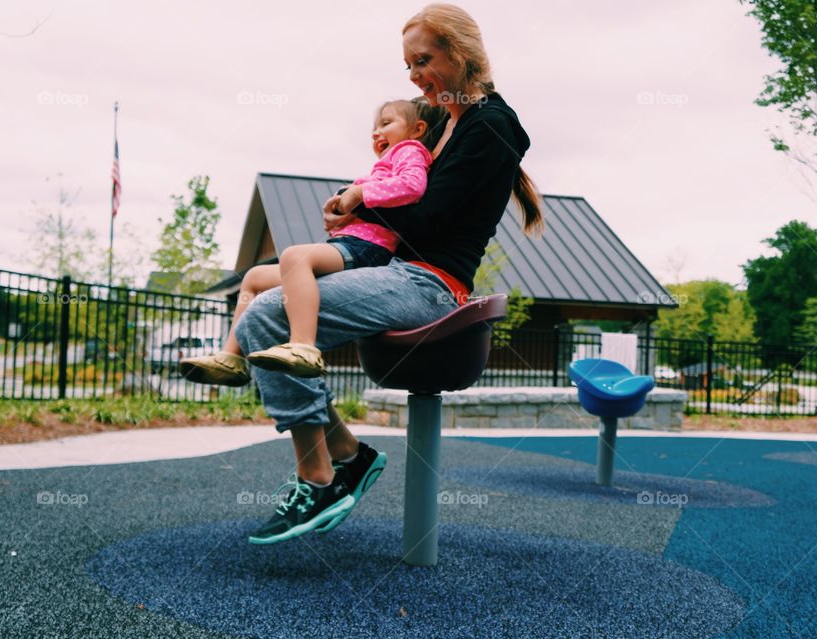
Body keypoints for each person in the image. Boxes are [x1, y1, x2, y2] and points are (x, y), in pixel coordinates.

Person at [236, 3, 544, 545]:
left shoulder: (492, 125)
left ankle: (321, 478)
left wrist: (361, 204)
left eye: (423, 60)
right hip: (395, 270)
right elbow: (393, 192)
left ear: (461, 53)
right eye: (407, 65)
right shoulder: (439, 128)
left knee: (269, 313)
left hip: (431, 285)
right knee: (262, 313)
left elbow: (427, 221)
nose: (414, 76)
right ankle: (348, 457)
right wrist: (352, 206)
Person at [178, 97, 447, 386]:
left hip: (369, 250)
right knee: (254, 277)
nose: (376, 132)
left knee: (295, 257)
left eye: (386, 123)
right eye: (374, 127)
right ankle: (231, 358)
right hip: (350, 245)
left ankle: (303, 346)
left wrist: (359, 194)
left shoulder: (409, 150)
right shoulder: (386, 162)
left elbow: (412, 186)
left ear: (417, 130)